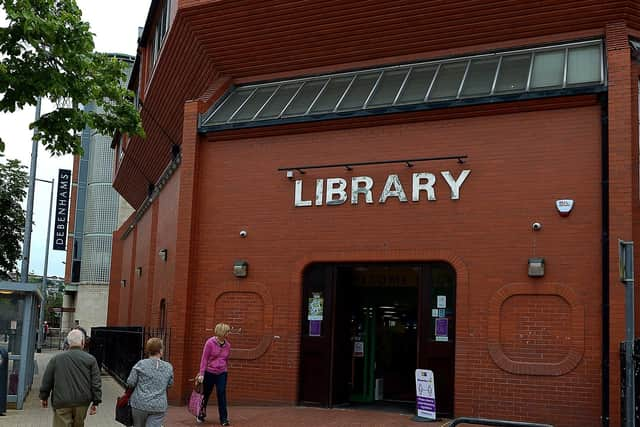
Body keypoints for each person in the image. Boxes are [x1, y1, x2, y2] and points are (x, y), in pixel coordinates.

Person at [39, 329, 102, 427]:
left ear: (68, 342)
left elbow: (47, 380)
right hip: (82, 402)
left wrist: (44, 396)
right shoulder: (91, 360)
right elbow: (96, 383)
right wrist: (96, 401)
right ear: (82, 342)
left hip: (61, 401)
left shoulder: (56, 359)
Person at [126, 338, 174, 427]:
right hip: (159, 405)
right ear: (160, 350)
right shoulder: (168, 367)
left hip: (139, 403)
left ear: (148, 350)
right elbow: (170, 384)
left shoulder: (140, 364)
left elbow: (130, 382)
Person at [196, 323, 232, 425]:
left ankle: (224, 419)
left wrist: (225, 369)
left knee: (221, 393)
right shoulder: (210, 343)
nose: (229, 333)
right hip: (209, 372)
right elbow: (204, 359)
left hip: (222, 373)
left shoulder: (228, 345)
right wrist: (202, 373)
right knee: (205, 394)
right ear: (222, 332)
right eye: (227, 331)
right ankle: (200, 414)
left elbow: (226, 359)